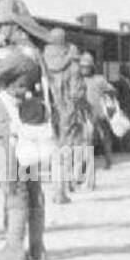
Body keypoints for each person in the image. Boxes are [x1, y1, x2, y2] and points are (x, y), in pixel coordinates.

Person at [0, 0, 50, 260]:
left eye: (0, 26)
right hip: (25, 129)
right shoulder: (33, 54)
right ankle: (37, 247)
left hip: (10, 130)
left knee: (14, 188)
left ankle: (14, 248)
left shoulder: (18, 57)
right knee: (31, 187)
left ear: (11, 26)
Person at [41, 29, 86, 204]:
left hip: (48, 111)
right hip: (67, 111)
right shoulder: (73, 66)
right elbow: (76, 93)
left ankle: (55, 188)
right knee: (66, 149)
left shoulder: (43, 62)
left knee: (52, 150)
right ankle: (61, 190)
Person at [79, 51, 117, 188]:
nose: (84, 69)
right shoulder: (77, 80)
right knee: (86, 143)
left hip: (98, 114)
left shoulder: (99, 79)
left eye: (86, 67)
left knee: (103, 138)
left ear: (92, 67)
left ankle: (108, 160)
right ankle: (84, 172)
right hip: (83, 114)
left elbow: (112, 90)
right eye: (82, 66)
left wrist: (108, 97)